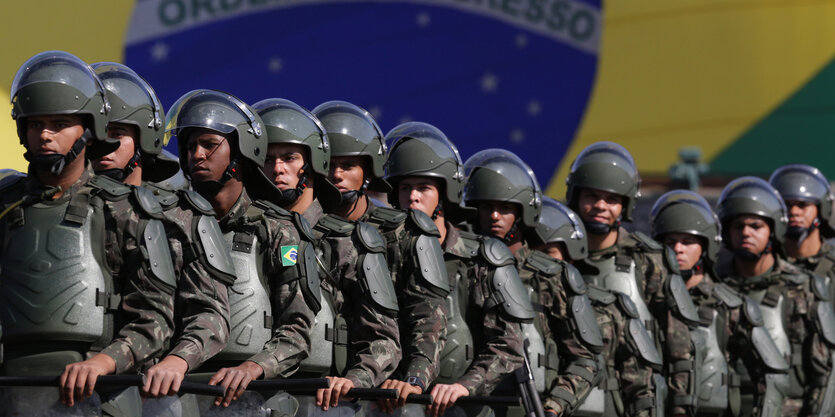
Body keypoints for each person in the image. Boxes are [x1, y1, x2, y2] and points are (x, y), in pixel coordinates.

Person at [0, 50, 176, 415]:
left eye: (60, 124)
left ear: (90, 130)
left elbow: (155, 318)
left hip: (98, 394)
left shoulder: (124, 209)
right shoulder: (6, 206)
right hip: (11, 389)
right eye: (36, 124)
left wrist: (104, 363)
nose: (45, 135)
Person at [164, 90, 320, 413]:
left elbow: (297, 330)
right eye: (190, 146)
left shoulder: (279, 231)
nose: (197, 155)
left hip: (252, 396)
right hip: (175, 390)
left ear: (240, 151)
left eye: (209, 144)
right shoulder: (169, 224)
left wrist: (254, 367)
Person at [90, 63, 233, 404]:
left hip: (150, 392)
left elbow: (210, 314)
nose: (105, 145)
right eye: (96, 134)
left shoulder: (182, 214)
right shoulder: (48, 206)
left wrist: (177, 360)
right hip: (54, 382)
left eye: (117, 133)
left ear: (144, 137)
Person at [254, 98, 402, 412]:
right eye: (268, 158)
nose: (278, 168)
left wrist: (356, 380)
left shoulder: (344, 239)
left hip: (320, 398)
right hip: (240, 391)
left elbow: (384, 339)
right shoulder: (246, 230)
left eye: (289, 157)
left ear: (309, 164)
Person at [384, 125, 531, 417]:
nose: (412, 196)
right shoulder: (381, 251)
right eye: (404, 187)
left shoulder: (483, 258)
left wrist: (464, 386)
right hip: (391, 405)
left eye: (423, 187)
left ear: (446, 192)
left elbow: (508, 347)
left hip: (463, 407)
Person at [314, 102, 450, 412]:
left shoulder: (404, 232)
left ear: (368, 170)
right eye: (330, 165)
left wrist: (412, 381)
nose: (336, 174)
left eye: (348, 165)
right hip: (315, 389)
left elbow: (428, 318)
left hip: (387, 395)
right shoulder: (300, 227)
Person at [462, 147, 605, 417]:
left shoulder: (553, 277)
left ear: (523, 212)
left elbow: (586, 360)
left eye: (505, 208)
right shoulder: (458, 267)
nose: (494, 216)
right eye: (486, 207)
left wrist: (554, 407)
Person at [565, 141, 701, 417]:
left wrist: (681, 408)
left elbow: (681, 349)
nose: (601, 206)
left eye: (612, 199)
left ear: (626, 203)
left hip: (633, 404)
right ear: (576, 196)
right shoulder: (555, 254)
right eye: (592, 196)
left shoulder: (649, 260)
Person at [650, 190, 790, 417]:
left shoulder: (729, 307)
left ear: (705, 247)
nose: (678, 249)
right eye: (670, 241)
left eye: (688, 241)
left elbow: (773, 374)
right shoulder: (648, 302)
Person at [715, 176, 835, 416]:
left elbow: (825, 373)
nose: (746, 233)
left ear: (774, 229)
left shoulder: (803, 288)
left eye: (756, 226)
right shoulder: (713, 286)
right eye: (738, 226)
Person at [535, 197, 662, 417]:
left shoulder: (611, 307)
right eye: (534, 254)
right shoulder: (514, 306)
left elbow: (640, 385)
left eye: (549, 254)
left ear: (570, 259)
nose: (538, 264)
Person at [769, 164, 835, 301]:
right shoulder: (764, 265)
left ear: (821, 209)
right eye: (786, 205)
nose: (794, 212)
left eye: (803, 205)